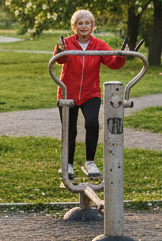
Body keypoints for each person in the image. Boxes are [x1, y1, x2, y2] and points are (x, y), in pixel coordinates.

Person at [52, 10, 126, 180]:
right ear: (74, 27)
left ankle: (90, 162)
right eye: (80, 23)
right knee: (69, 130)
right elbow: (60, 60)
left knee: (92, 124)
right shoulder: (67, 43)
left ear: (93, 26)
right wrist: (59, 49)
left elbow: (113, 63)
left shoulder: (99, 45)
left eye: (87, 23)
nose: (83, 26)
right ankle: (68, 164)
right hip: (67, 92)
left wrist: (121, 56)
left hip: (91, 92)